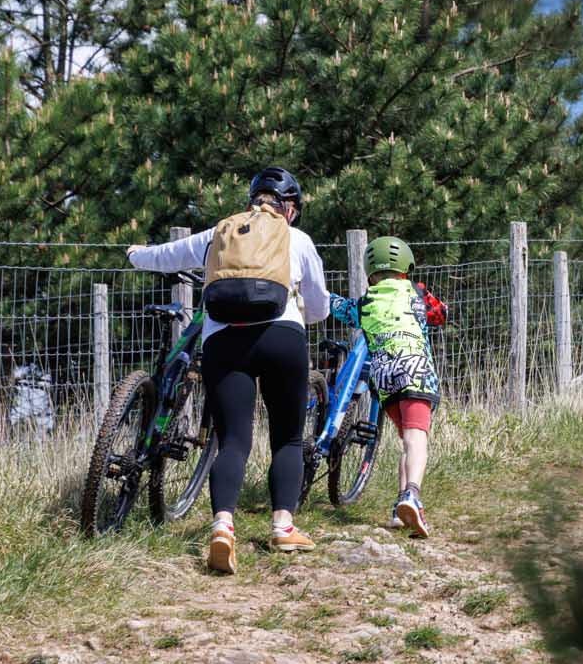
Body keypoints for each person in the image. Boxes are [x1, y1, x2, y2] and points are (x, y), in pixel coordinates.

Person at [126, 166, 330, 574]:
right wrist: (299, 318)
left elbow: (168, 256)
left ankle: (222, 525)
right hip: (282, 337)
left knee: (233, 439)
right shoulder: (298, 239)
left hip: (223, 340)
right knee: (287, 437)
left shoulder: (222, 232)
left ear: (252, 201)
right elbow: (320, 306)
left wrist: (134, 255)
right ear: (289, 210)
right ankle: (282, 527)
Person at [330, 236, 446, 537]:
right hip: (415, 372)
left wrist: (317, 295)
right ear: (406, 270)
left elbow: (339, 308)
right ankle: (412, 495)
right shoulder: (418, 292)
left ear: (371, 274)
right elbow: (440, 314)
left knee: (405, 442)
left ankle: (398, 509)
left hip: (383, 379)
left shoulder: (366, 302)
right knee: (416, 439)